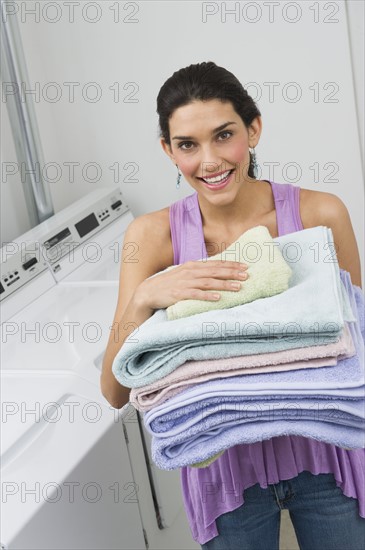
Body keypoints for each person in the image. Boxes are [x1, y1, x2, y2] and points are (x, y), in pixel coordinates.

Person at [100, 61, 364, 549]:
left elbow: (356, 356)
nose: (209, 161)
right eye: (187, 145)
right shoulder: (153, 237)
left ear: (254, 129)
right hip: (224, 481)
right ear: (168, 149)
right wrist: (144, 298)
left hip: (328, 461)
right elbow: (115, 393)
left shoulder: (318, 216)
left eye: (224, 135)